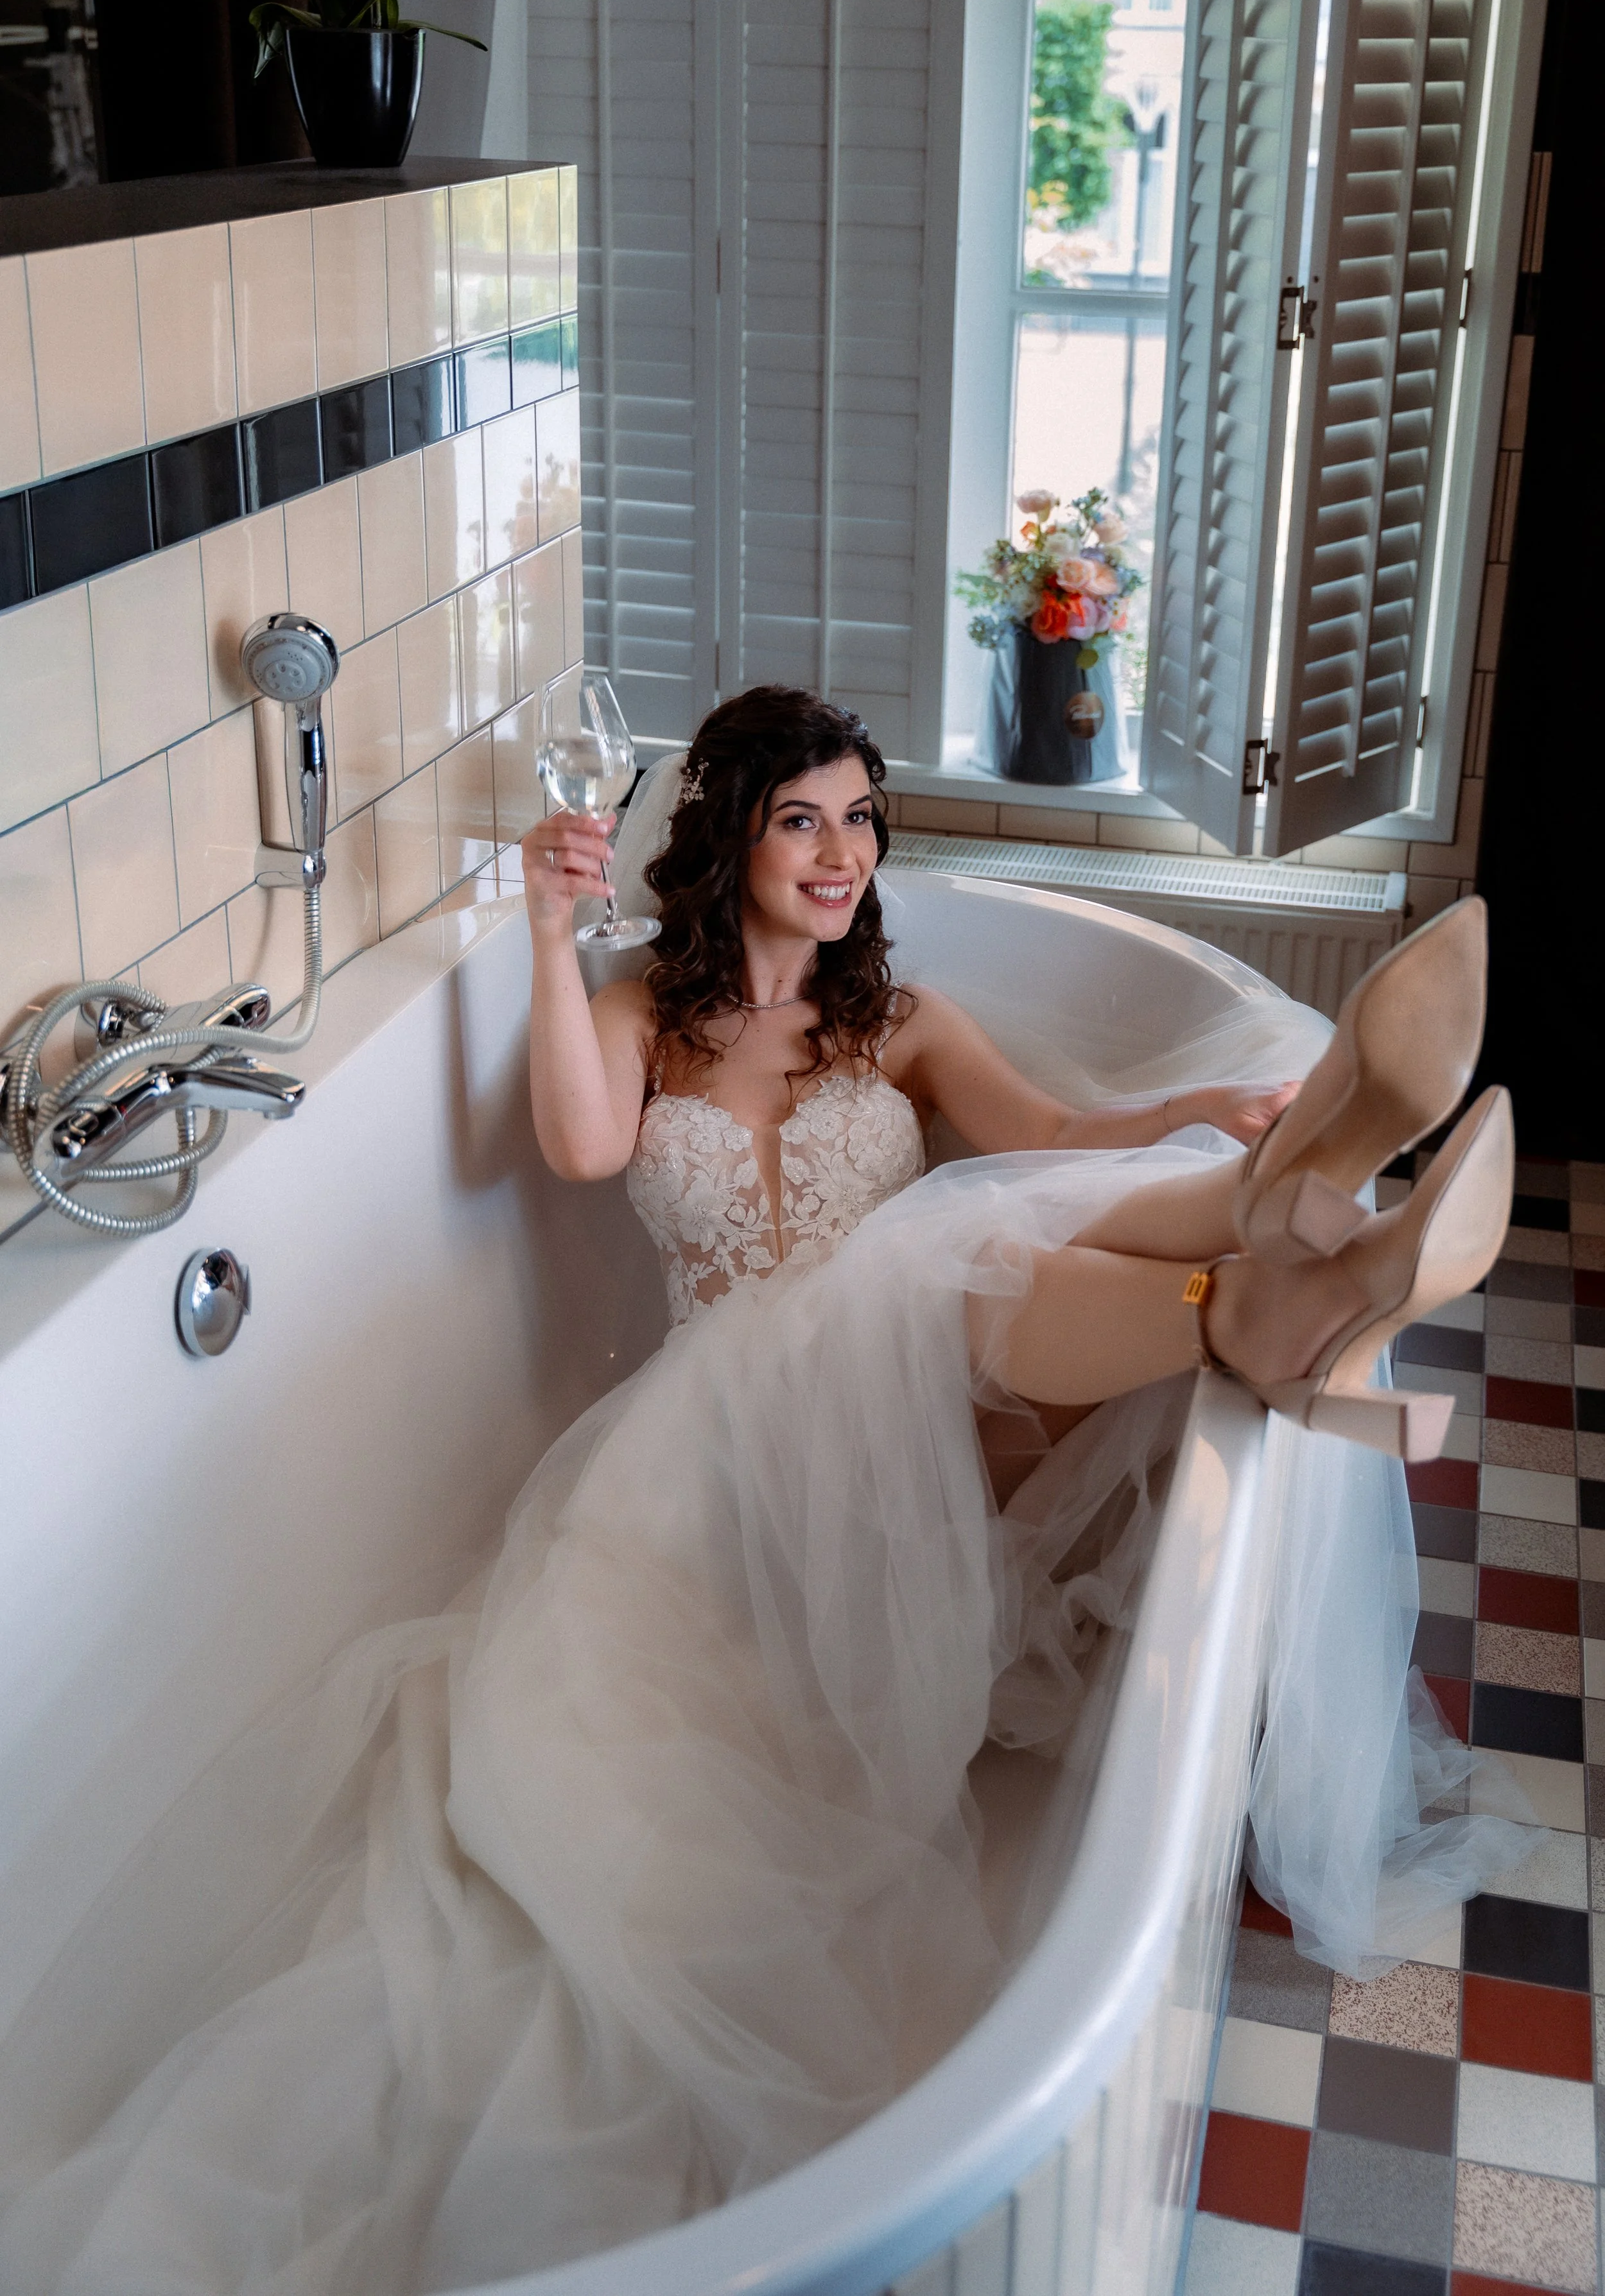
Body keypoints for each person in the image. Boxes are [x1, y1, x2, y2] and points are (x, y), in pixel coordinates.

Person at [0, 688, 1525, 2295]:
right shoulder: (640, 1014)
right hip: (715, 1458)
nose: (841, 852)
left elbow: (1058, 1138)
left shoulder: (906, 1019)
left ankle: (1277, 1213)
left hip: (912, 1434)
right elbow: (585, 1152)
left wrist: (1194, 1117)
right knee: (940, 1272)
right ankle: (1274, 1270)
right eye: (804, 818)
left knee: (974, 1244)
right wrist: (539, 924)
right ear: (730, 834)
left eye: (861, 819)